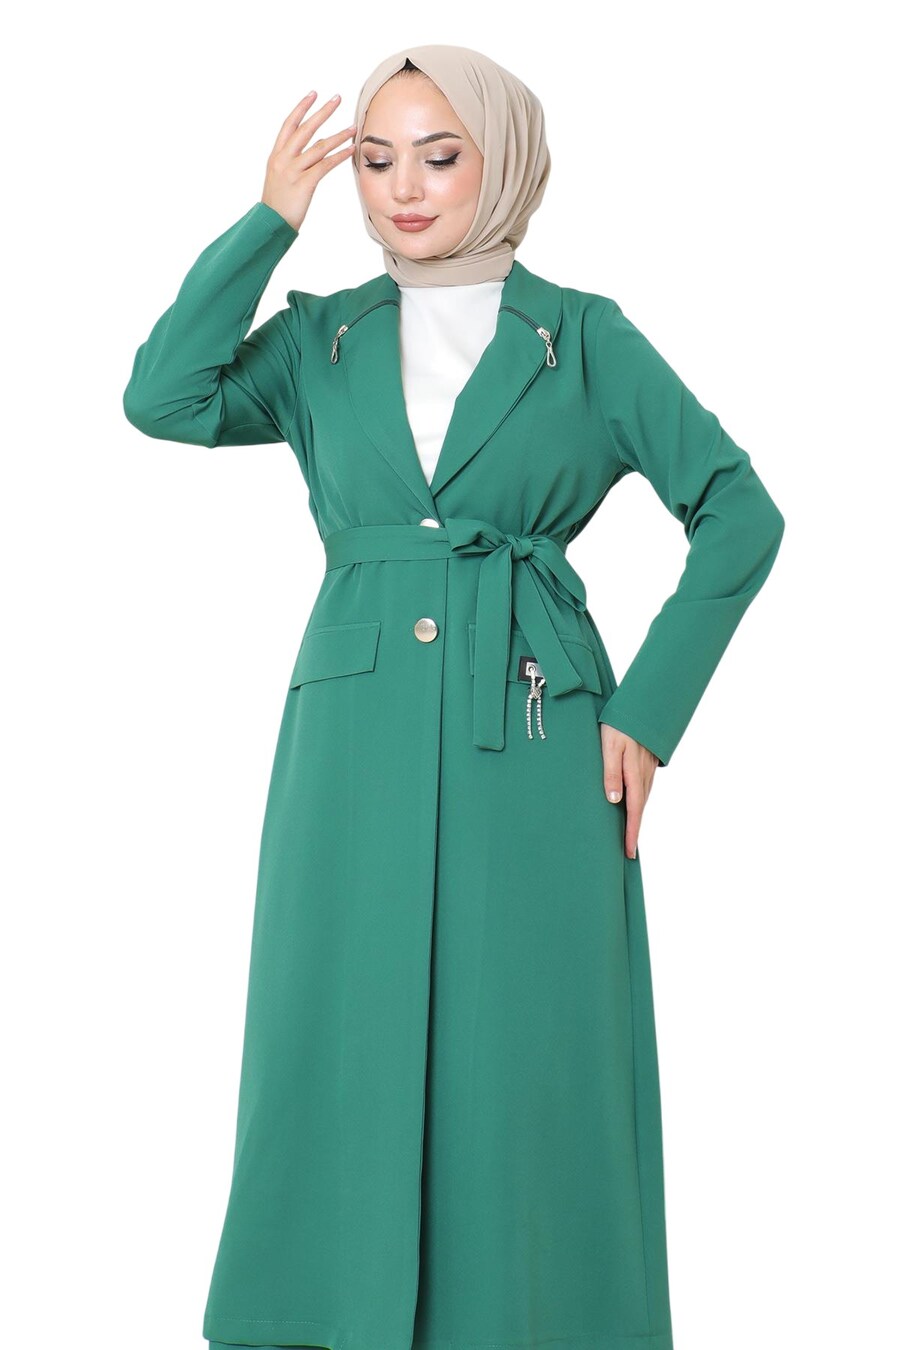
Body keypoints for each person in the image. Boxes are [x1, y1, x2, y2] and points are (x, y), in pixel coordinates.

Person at [123, 43, 785, 1350]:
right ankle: (324, 1314)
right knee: (336, 1016)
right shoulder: (318, 338)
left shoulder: (583, 335)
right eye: (376, 161)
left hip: (535, 725)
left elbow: (738, 512)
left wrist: (648, 712)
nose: (404, 188)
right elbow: (165, 397)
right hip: (353, 726)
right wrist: (269, 221)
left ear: (504, 159)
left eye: (439, 155)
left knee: (527, 1036)